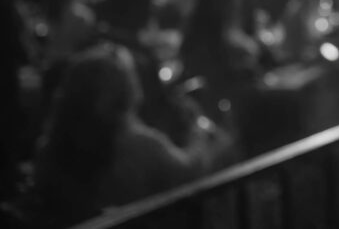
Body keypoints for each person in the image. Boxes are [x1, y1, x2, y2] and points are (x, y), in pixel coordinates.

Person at [28, 43, 232, 226]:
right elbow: (189, 173)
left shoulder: (50, 145)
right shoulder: (139, 146)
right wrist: (198, 133)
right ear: (125, 89)